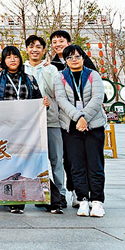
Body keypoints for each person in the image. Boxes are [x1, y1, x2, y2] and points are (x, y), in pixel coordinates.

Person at [0, 45, 45, 214]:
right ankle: (4, 196)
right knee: (4, 163)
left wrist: (44, 105)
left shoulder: (30, 79)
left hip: (25, 129)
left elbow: (38, 101)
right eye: (8, 57)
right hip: (4, 127)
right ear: (3, 61)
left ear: (20, 59)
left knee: (21, 163)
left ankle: (17, 201)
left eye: (15, 56)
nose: (12, 60)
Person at [53, 44, 107, 218]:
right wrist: (78, 118)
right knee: (76, 165)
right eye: (69, 57)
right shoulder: (60, 77)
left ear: (83, 58)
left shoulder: (93, 75)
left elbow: (98, 98)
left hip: (94, 126)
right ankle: (83, 199)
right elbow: (61, 100)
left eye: (77, 56)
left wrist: (84, 118)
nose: (74, 60)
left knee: (95, 164)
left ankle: (97, 201)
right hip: (71, 127)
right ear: (65, 60)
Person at [23, 35, 65, 213]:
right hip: (27, 124)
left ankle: (60, 194)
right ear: (26, 49)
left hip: (50, 120)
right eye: (31, 46)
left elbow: (56, 92)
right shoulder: (20, 68)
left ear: (44, 50)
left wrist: (47, 71)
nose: (35, 50)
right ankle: (32, 193)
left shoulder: (51, 69)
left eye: (38, 47)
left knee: (56, 159)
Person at [49, 29, 73, 206]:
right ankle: (60, 193)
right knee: (61, 157)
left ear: (68, 43)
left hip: (77, 117)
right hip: (59, 118)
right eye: (54, 42)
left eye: (61, 41)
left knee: (73, 157)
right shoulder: (52, 65)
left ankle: (78, 193)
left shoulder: (80, 60)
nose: (58, 44)